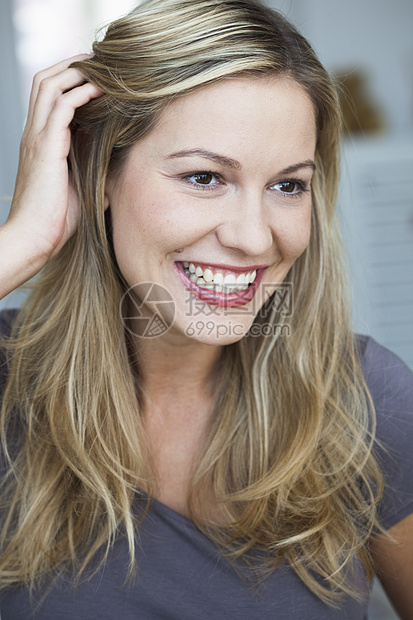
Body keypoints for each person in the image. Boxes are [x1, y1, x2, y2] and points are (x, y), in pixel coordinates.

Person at [0, 0, 412, 617]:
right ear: (97, 168)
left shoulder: (364, 397)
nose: (253, 236)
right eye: (203, 177)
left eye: (287, 185)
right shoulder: (9, 381)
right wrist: (23, 238)